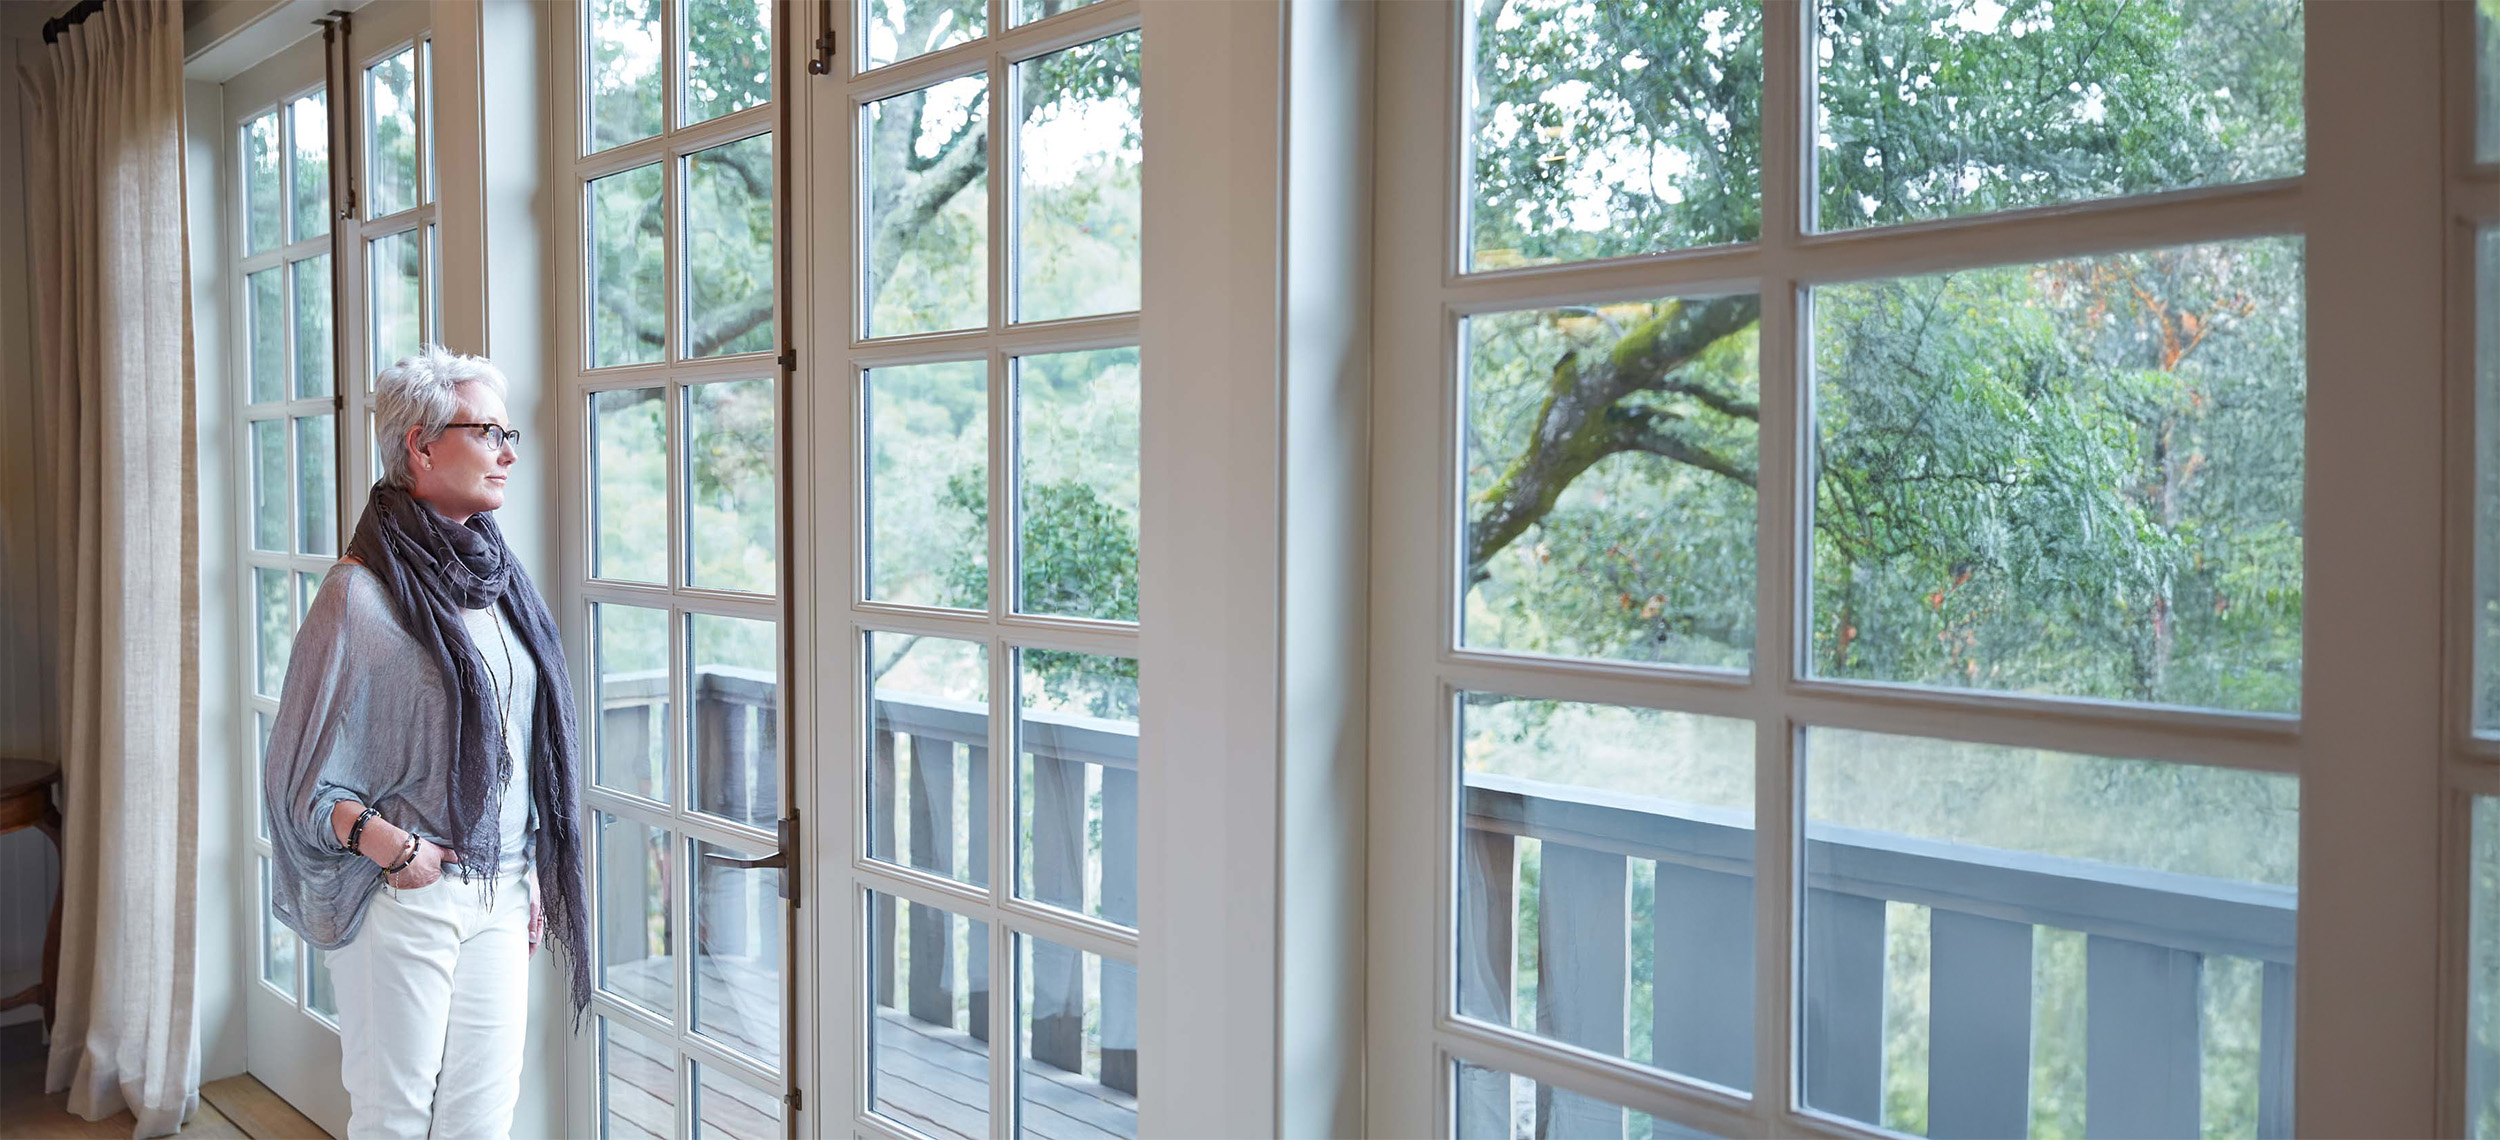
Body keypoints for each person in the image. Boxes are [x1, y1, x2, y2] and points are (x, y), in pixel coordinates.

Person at [264, 345, 590, 1139]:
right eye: (488, 433)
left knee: (483, 1119)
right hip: (405, 892)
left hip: (502, 884)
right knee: (395, 1118)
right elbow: (295, 780)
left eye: (509, 434)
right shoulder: (358, 594)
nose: (509, 453)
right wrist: (394, 849)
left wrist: (529, 864)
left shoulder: (499, 579)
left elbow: (520, 741)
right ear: (421, 446)